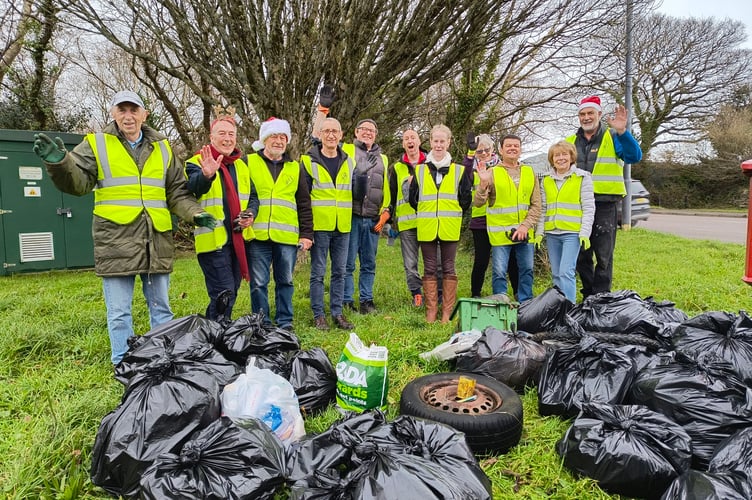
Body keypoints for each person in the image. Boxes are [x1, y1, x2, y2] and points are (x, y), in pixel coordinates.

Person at [32, 90, 216, 365]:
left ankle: (162, 359)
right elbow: (78, 183)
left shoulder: (164, 148)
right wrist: (60, 163)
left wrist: (195, 213)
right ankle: (123, 363)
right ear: (113, 113)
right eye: (122, 110)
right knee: (119, 311)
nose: (128, 116)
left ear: (145, 114)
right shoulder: (96, 144)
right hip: (115, 240)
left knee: (161, 308)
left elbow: (176, 192)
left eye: (134, 110)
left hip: (155, 240)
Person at [313, 87, 390, 314]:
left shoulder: (383, 157)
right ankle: (347, 299)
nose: (367, 133)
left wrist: (385, 213)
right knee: (347, 263)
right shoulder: (345, 149)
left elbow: (386, 187)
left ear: (376, 135)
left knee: (369, 263)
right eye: (363, 129)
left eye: (372, 130)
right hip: (351, 215)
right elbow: (319, 138)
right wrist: (323, 111)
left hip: (373, 218)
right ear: (355, 133)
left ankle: (366, 300)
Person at [566, 96, 643, 298]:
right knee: (582, 254)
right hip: (578, 206)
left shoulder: (613, 136)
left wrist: (622, 131)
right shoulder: (570, 142)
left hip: (604, 203)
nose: (586, 117)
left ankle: (601, 297)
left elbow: (634, 157)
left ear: (599, 114)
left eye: (590, 113)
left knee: (603, 254)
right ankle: (588, 294)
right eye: (582, 114)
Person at [185, 110, 255, 322]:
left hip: (237, 239)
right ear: (211, 137)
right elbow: (192, 189)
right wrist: (207, 175)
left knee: (230, 291)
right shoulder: (195, 162)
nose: (227, 139)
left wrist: (251, 214)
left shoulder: (241, 165)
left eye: (231, 134)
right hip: (213, 240)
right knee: (223, 292)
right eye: (222, 133)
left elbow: (253, 197)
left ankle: (215, 331)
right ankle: (216, 334)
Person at [247, 117, 314, 332]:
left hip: (286, 236)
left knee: (285, 281)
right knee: (258, 282)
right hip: (257, 235)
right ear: (264, 140)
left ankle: (285, 321)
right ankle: (261, 322)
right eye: (274, 136)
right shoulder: (248, 163)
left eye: (283, 137)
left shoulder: (295, 168)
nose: (279, 141)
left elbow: (304, 202)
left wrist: (306, 234)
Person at [409, 124, 473, 323]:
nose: (438, 145)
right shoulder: (419, 171)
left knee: (448, 268)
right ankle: (431, 311)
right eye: (435, 141)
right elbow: (413, 200)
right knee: (428, 268)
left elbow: (465, 200)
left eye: (442, 141)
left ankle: (446, 312)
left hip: (449, 226)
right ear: (430, 142)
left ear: (448, 143)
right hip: (427, 226)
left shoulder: (459, 171)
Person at [300, 116, 355, 330]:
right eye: (327, 131)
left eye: (335, 131)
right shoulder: (308, 161)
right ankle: (318, 315)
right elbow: (303, 198)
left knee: (340, 271)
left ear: (341, 135)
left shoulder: (350, 161)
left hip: (343, 226)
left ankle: (337, 313)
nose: (331, 135)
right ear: (320, 135)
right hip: (320, 226)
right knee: (318, 272)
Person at [474, 134, 542, 302]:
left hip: (525, 233)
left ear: (520, 149)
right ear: (501, 150)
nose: (512, 148)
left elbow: (536, 204)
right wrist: (482, 186)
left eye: (516, 146)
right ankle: (501, 305)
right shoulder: (492, 173)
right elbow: (478, 203)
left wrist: (525, 226)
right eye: (509, 146)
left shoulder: (529, 171)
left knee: (526, 270)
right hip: (500, 235)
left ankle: (526, 305)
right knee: (499, 271)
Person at [538, 141, 595, 303]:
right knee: (556, 273)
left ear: (571, 157)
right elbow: (543, 208)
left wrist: (584, 232)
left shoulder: (582, 177)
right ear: (552, 159)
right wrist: (539, 232)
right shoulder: (546, 180)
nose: (561, 158)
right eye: (557, 155)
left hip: (572, 233)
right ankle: (558, 306)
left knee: (566, 272)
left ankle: (570, 309)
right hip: (552, 233)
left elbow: (589, 208)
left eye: (564, 154)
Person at [388, 129, 427, 307]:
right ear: (403, 144)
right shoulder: (396, 168)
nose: (410, 141)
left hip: (428, 221)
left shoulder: (431, 162)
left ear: (419, 141)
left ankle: (435, 294)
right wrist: (389, 220)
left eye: (413, 137)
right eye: (406, 139)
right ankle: (416, 294)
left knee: (433, 262)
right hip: (406, 223)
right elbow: (392, 194)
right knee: (410, 264)